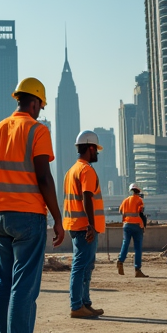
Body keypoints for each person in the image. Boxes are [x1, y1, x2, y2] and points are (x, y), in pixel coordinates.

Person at [0, 76, 64, 333]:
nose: (41, 109)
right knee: (23, 287)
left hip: (0, 215)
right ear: (35, 102)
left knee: (1, 285)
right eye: (41, 104)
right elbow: (44, 177)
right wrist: (57, 217)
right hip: (28, 216)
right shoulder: (38, 130)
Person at [63, 130, 106, 318]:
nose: (97, 153)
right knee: (81, 267)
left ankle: (85, 303)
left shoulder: (71, 171)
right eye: (95, 149)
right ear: (90, 148)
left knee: (86, 266)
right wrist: (90, 225)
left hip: (75, 225)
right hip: (84, 227)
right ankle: (76, 305)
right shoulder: (86, 170)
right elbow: (87, 197)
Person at [117, 182, 148, 278]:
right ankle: (137, 270)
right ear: (138, 191)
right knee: (137, 248)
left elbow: (120, 211)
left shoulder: (125, 200)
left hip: (126, 225)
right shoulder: (139, 200)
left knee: (125, 243)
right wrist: (144, 226)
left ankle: (120, 261)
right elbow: (141, 213)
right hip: (137, 225)